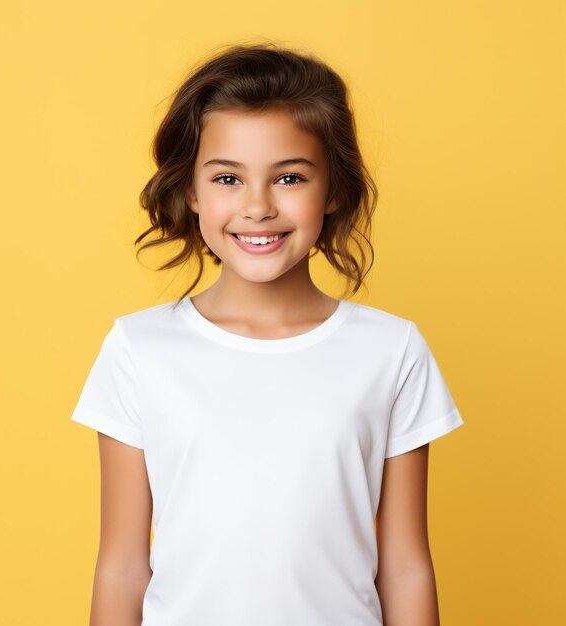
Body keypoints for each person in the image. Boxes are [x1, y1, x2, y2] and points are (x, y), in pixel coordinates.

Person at [70, 41, 464, 626]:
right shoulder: (138, 349)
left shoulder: (391, 350)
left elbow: (405, 566)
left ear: (332, 189)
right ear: (191, 192)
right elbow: (123, 566)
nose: (257, 207)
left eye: (289, 177)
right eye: (228, 178)